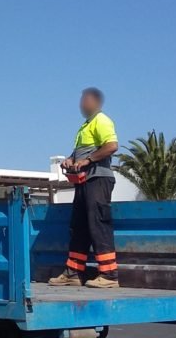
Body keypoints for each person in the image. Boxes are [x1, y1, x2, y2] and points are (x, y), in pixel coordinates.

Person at [49, 87, 120, 289]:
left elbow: (111, 145)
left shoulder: (102, 120)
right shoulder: (84, 127)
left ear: (95, 102)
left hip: (98, 180)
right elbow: (80, 152)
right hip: (83, 182)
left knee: (98, 224)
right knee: (78, 226)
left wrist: (88, 159)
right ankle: (73, 272)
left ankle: (109, 275)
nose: (82, 104)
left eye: (85, 100)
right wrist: (70, 160)